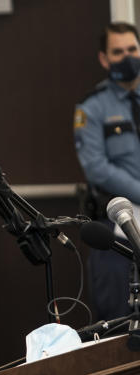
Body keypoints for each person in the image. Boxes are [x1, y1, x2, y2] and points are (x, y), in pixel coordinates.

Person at [73, 22, 140, 321]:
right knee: (118, 322)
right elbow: (96, 167)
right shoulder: (92, 108)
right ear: (104, 58)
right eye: (118, 51)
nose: (127, 57)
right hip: (117, 236)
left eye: (132, 49)